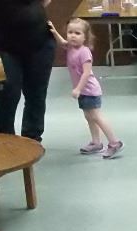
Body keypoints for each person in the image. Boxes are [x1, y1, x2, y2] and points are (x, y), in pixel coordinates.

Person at [0, 0, 55, 142]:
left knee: (36, 93)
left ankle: (32, 140)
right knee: (9, 91)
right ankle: (4, 141)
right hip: (0, 44)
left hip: (39, 41)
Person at [47, 18, 123, 158]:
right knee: (89, 117)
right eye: (70, 32)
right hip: (84, 92)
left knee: (96, 116)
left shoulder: (84, 52)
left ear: (85, 37)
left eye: (77, 33)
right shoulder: (70, 46)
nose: (72, 36)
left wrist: (78, 89)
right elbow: (62, 42)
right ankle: (96, 143)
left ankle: (114, 142)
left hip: (90, 90)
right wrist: (54, 31)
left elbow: (87, 73)